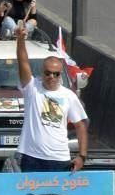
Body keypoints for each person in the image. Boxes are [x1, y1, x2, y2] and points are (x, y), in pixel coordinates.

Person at [15, 21, 90, 172]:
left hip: (59, 159)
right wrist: (21, 40)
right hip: (32, 158)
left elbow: (81, 125)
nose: (51, 77)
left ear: (60, 74)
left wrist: (82, 156)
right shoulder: (32, 88)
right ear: (42, 72)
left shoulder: (68, 95)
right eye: (47, 73)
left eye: (56, 74)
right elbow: (23, 61)